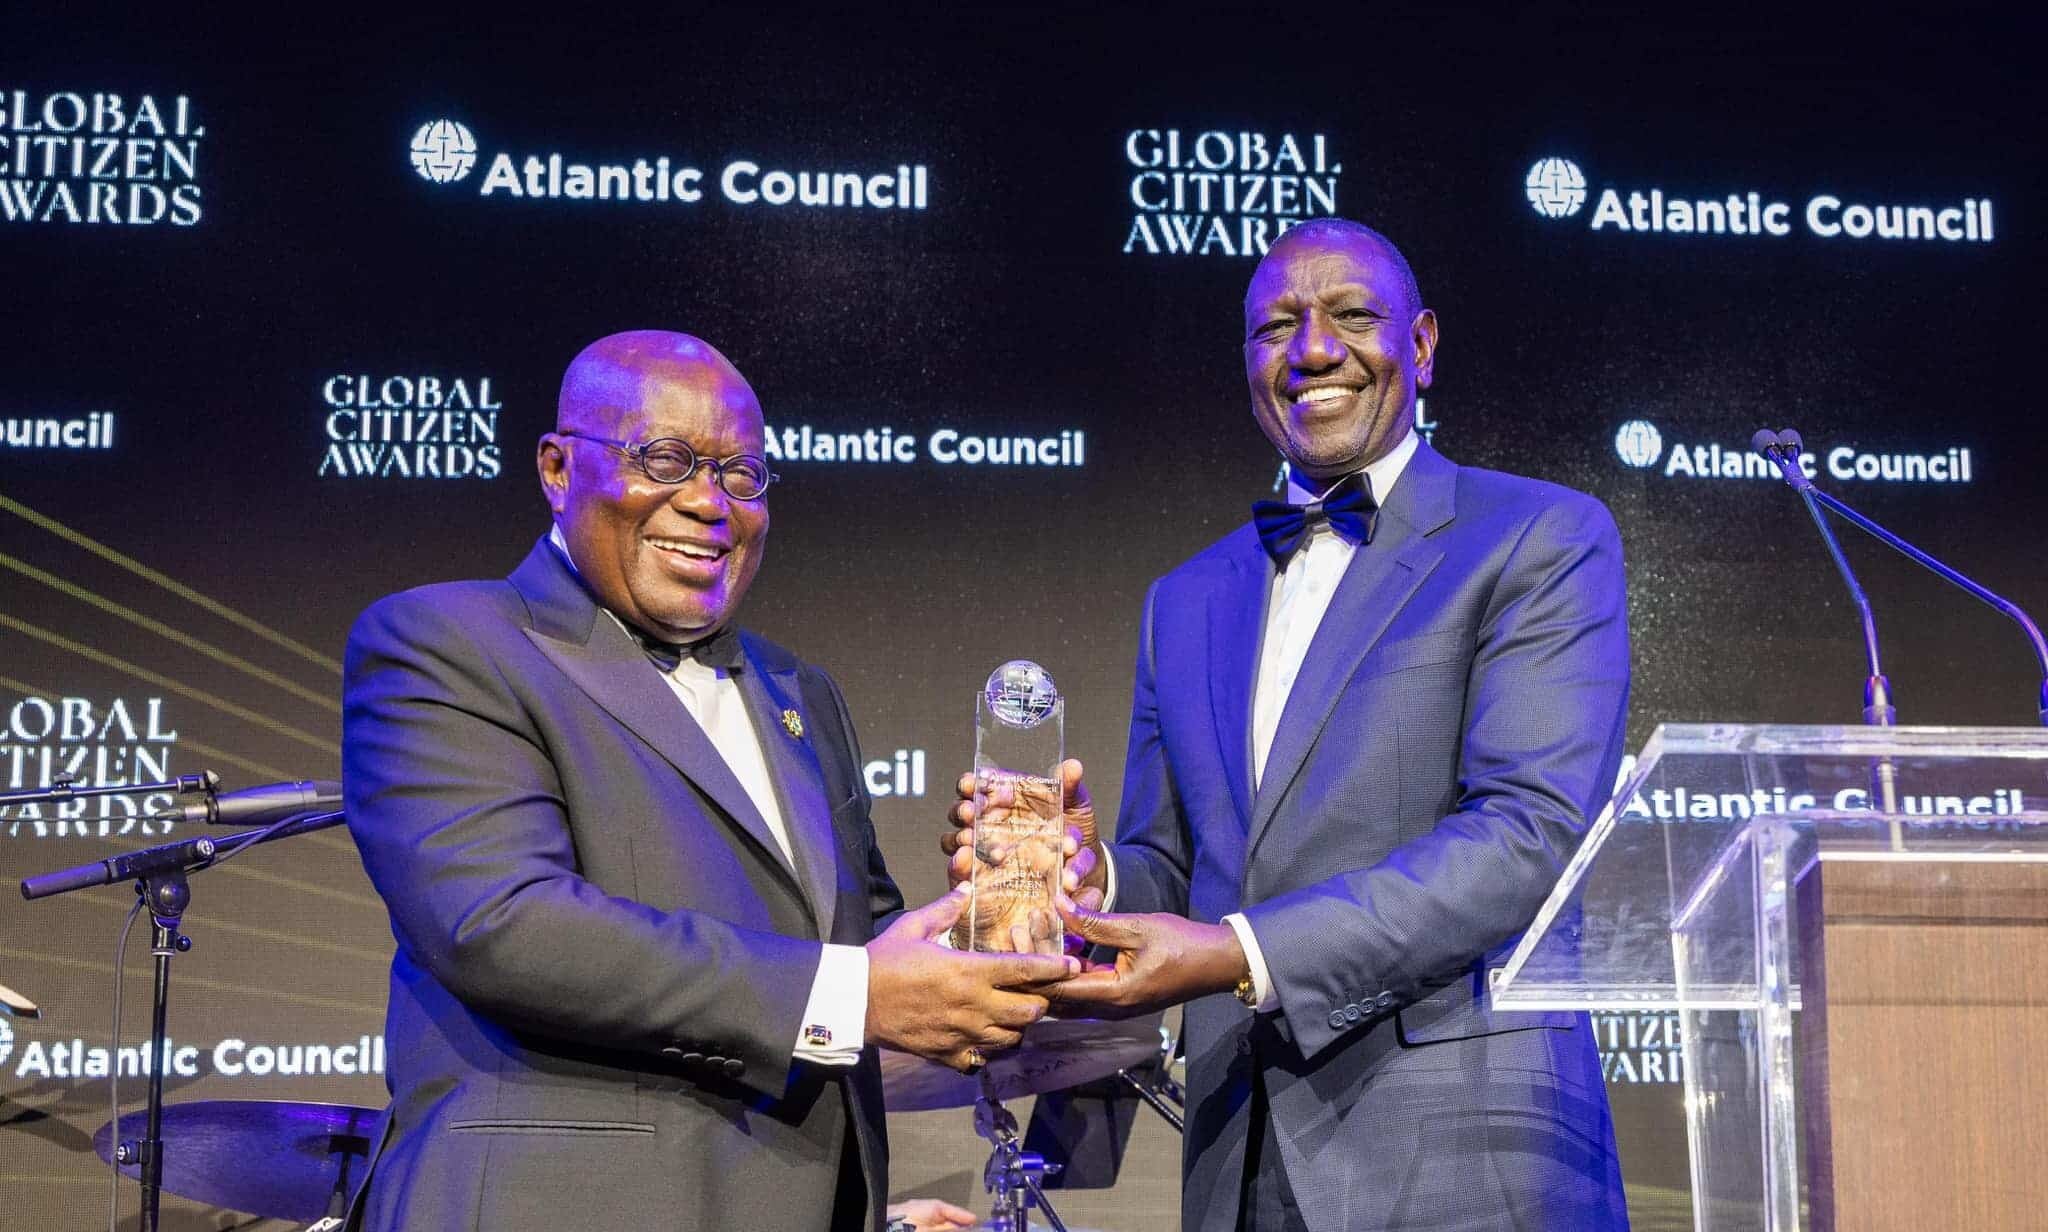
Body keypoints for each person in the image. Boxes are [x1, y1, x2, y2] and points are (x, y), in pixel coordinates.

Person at [949, 220, 1632, 1230]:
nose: (1311, 349)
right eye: (1276, 326)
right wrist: (1086, 882)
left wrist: (1240, 954)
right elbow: (1174, 866)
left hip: (1467, 1162)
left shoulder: (1539, 536)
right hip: (1238, 1158)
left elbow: (1524, 836)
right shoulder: (1185, 598)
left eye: (1350, 315)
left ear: (1421, 345)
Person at [343, 330, 1074, 1232]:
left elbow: (860, 949)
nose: (707, 501)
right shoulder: (447, 642)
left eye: (741, 474)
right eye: (664, 459)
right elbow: (503, 927)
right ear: (558, 469)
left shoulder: (798, 689)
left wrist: (1000, 913)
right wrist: (851, 995)